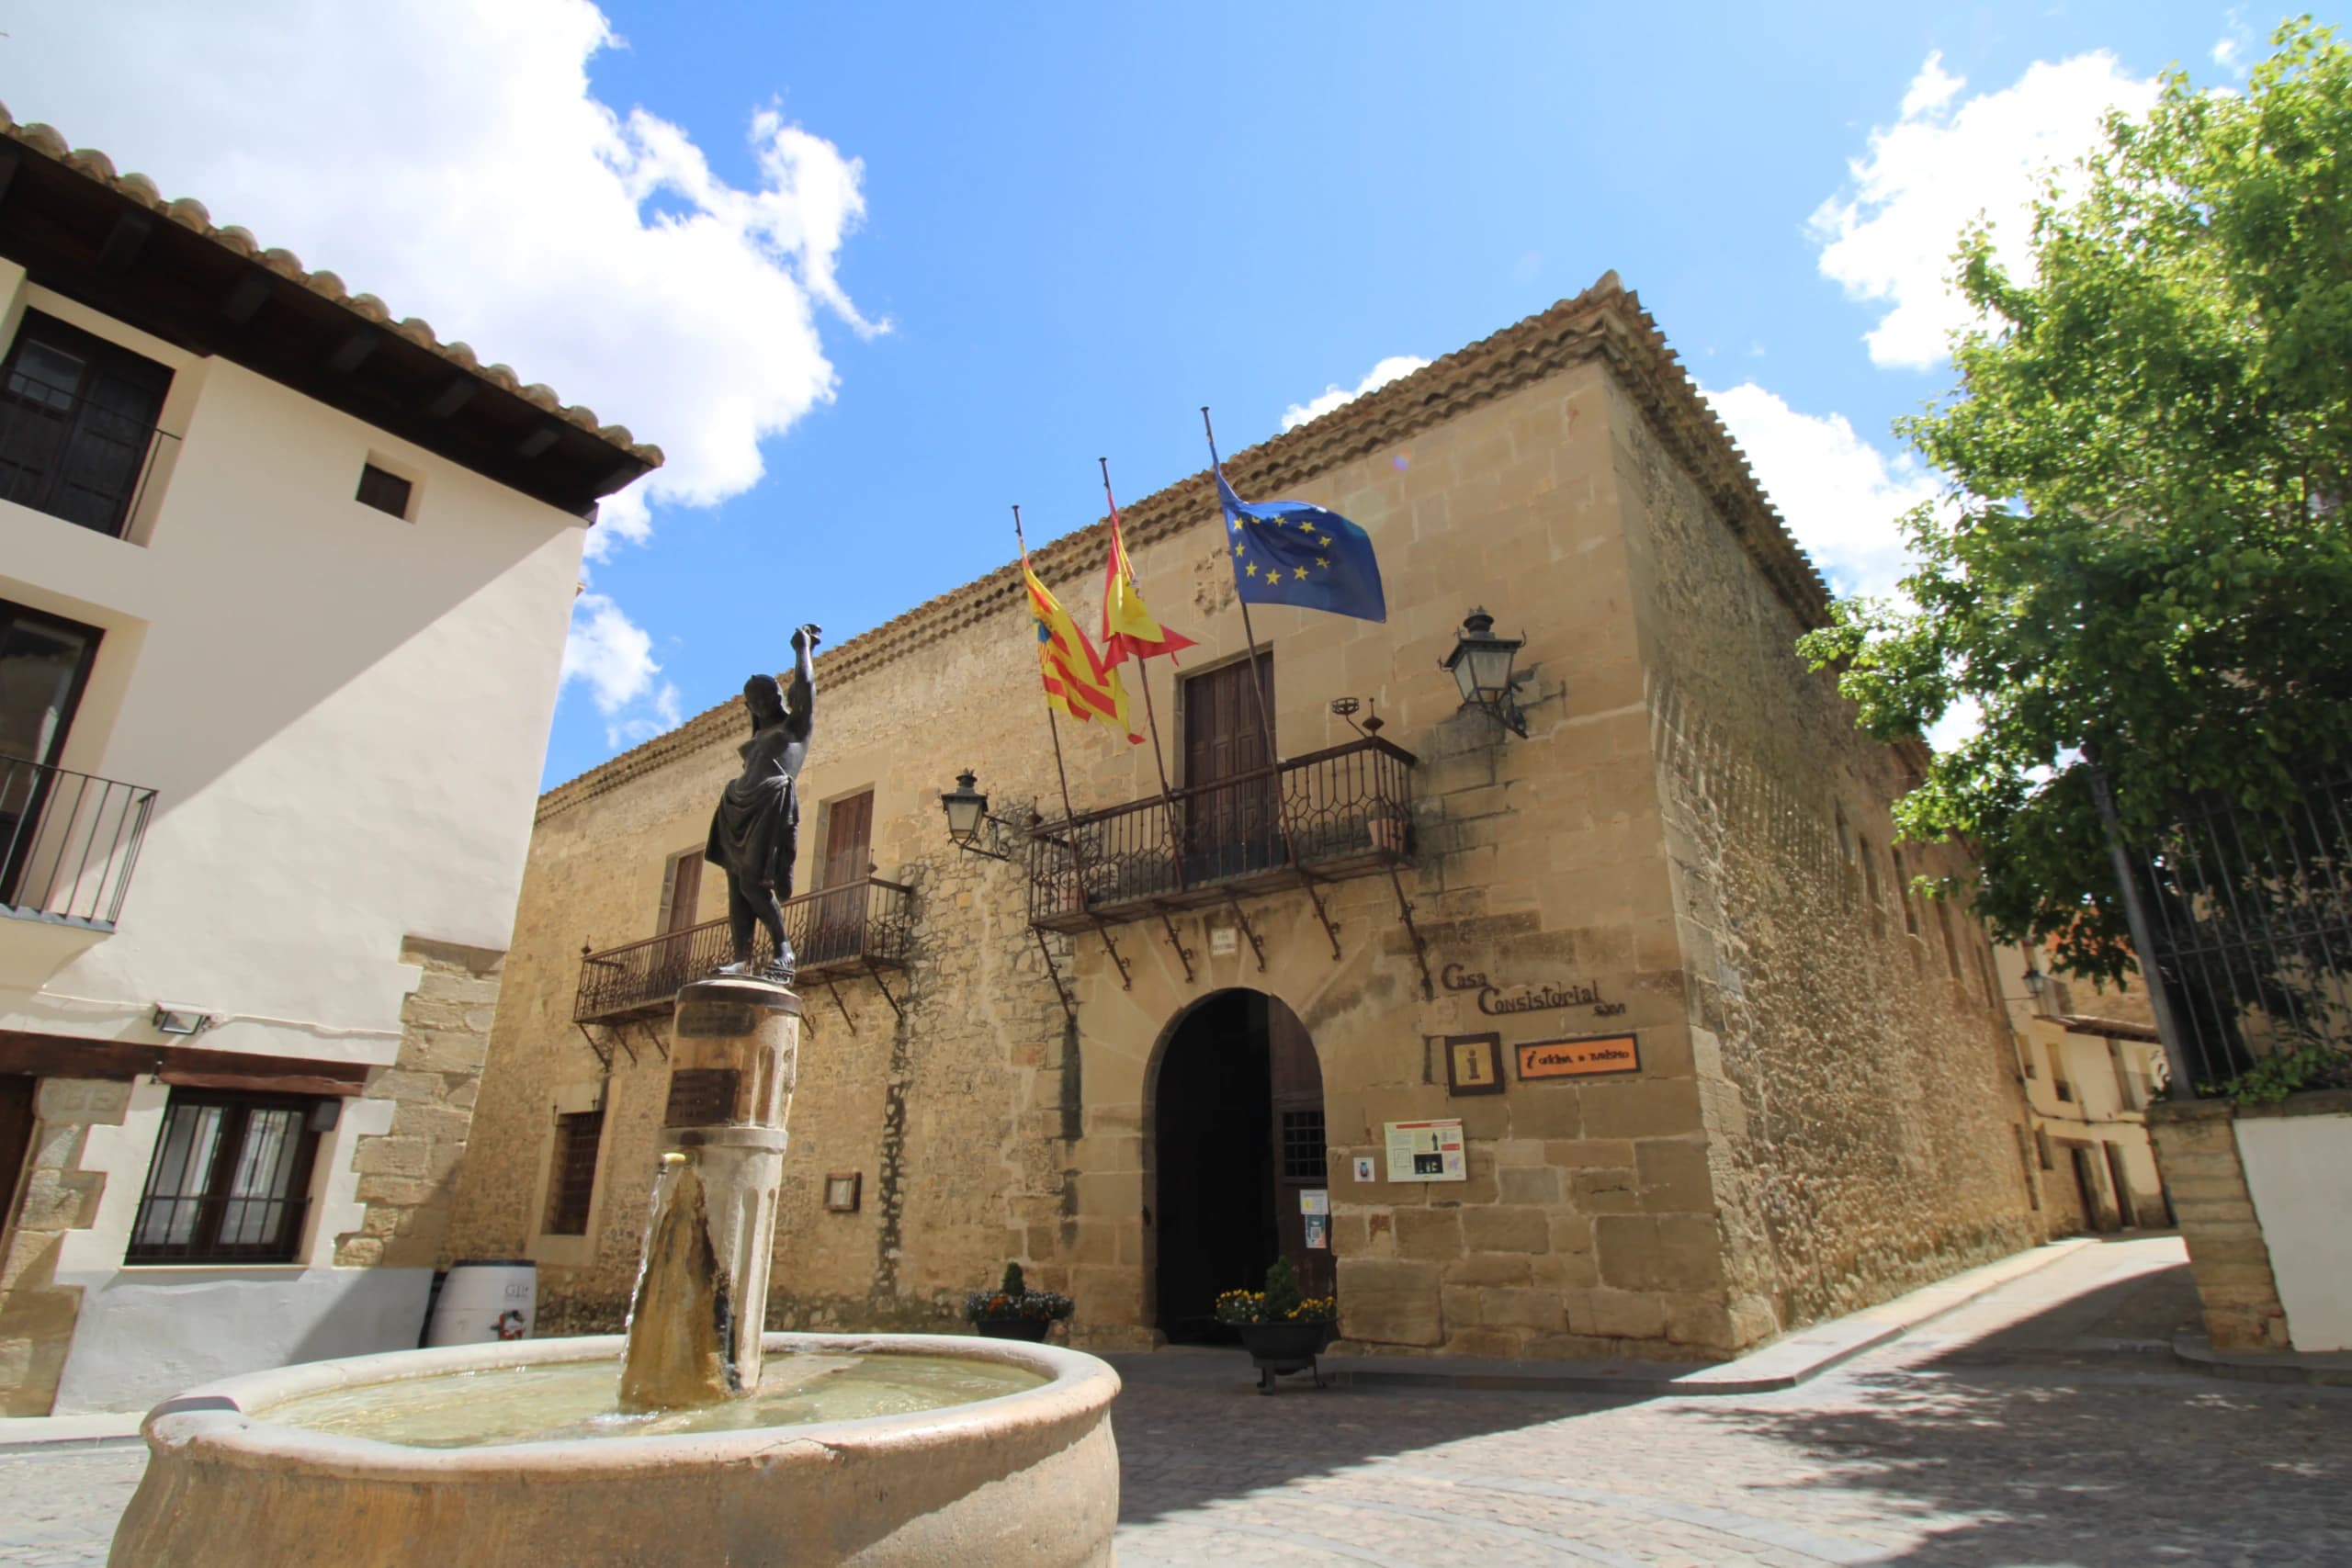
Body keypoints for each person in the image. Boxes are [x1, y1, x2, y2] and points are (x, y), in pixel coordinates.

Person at [707, 624, 819, 982]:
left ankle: (783, 950)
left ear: (778, 696)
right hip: (737, 805)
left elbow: (806, 690)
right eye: (754, 701)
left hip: (770, 802)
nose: (761, 703)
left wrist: (803, 650)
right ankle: (741, 957)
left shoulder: (795, 728)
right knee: (737, 884)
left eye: (767, 696)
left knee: (754, 881)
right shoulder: (758, 733)